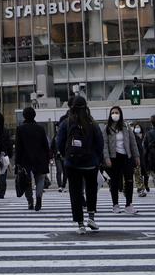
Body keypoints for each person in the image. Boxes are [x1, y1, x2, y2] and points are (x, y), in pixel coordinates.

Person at [57, 95, 105, 234]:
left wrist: (66, 155)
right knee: (91, 191)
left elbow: (60, 143)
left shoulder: (66, 123)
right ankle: (91, 218)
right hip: (90, 164)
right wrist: (96, 158)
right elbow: (100, 143)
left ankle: (80, 224)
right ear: (86, 107)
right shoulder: (92, 123)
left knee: (76, 193)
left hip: (72, 164)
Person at [103, 105, 140, 215]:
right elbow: (104, 144)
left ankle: (129, 204)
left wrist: (136, 156)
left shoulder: (126, 127)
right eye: (113, 113)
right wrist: (107, 158)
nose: (115, 114)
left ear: (120, 114)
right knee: (114, 181)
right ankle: (115, 205)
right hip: (114, 157)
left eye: (117, 112)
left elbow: (133, 143)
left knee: (129, 180)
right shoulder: (107, 128)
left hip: (126, 156)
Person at [14, 106, 51, 211]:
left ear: (24, 116)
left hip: (25, 159)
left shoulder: (20, 129)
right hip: (40, 158)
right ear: (34, 115)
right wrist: (48, 158)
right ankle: (39, 198)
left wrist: (17, 163)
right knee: (40, 179)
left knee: (27, 181)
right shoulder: (40, 128)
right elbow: (45, 145)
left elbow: (18, 147)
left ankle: (30, 201)